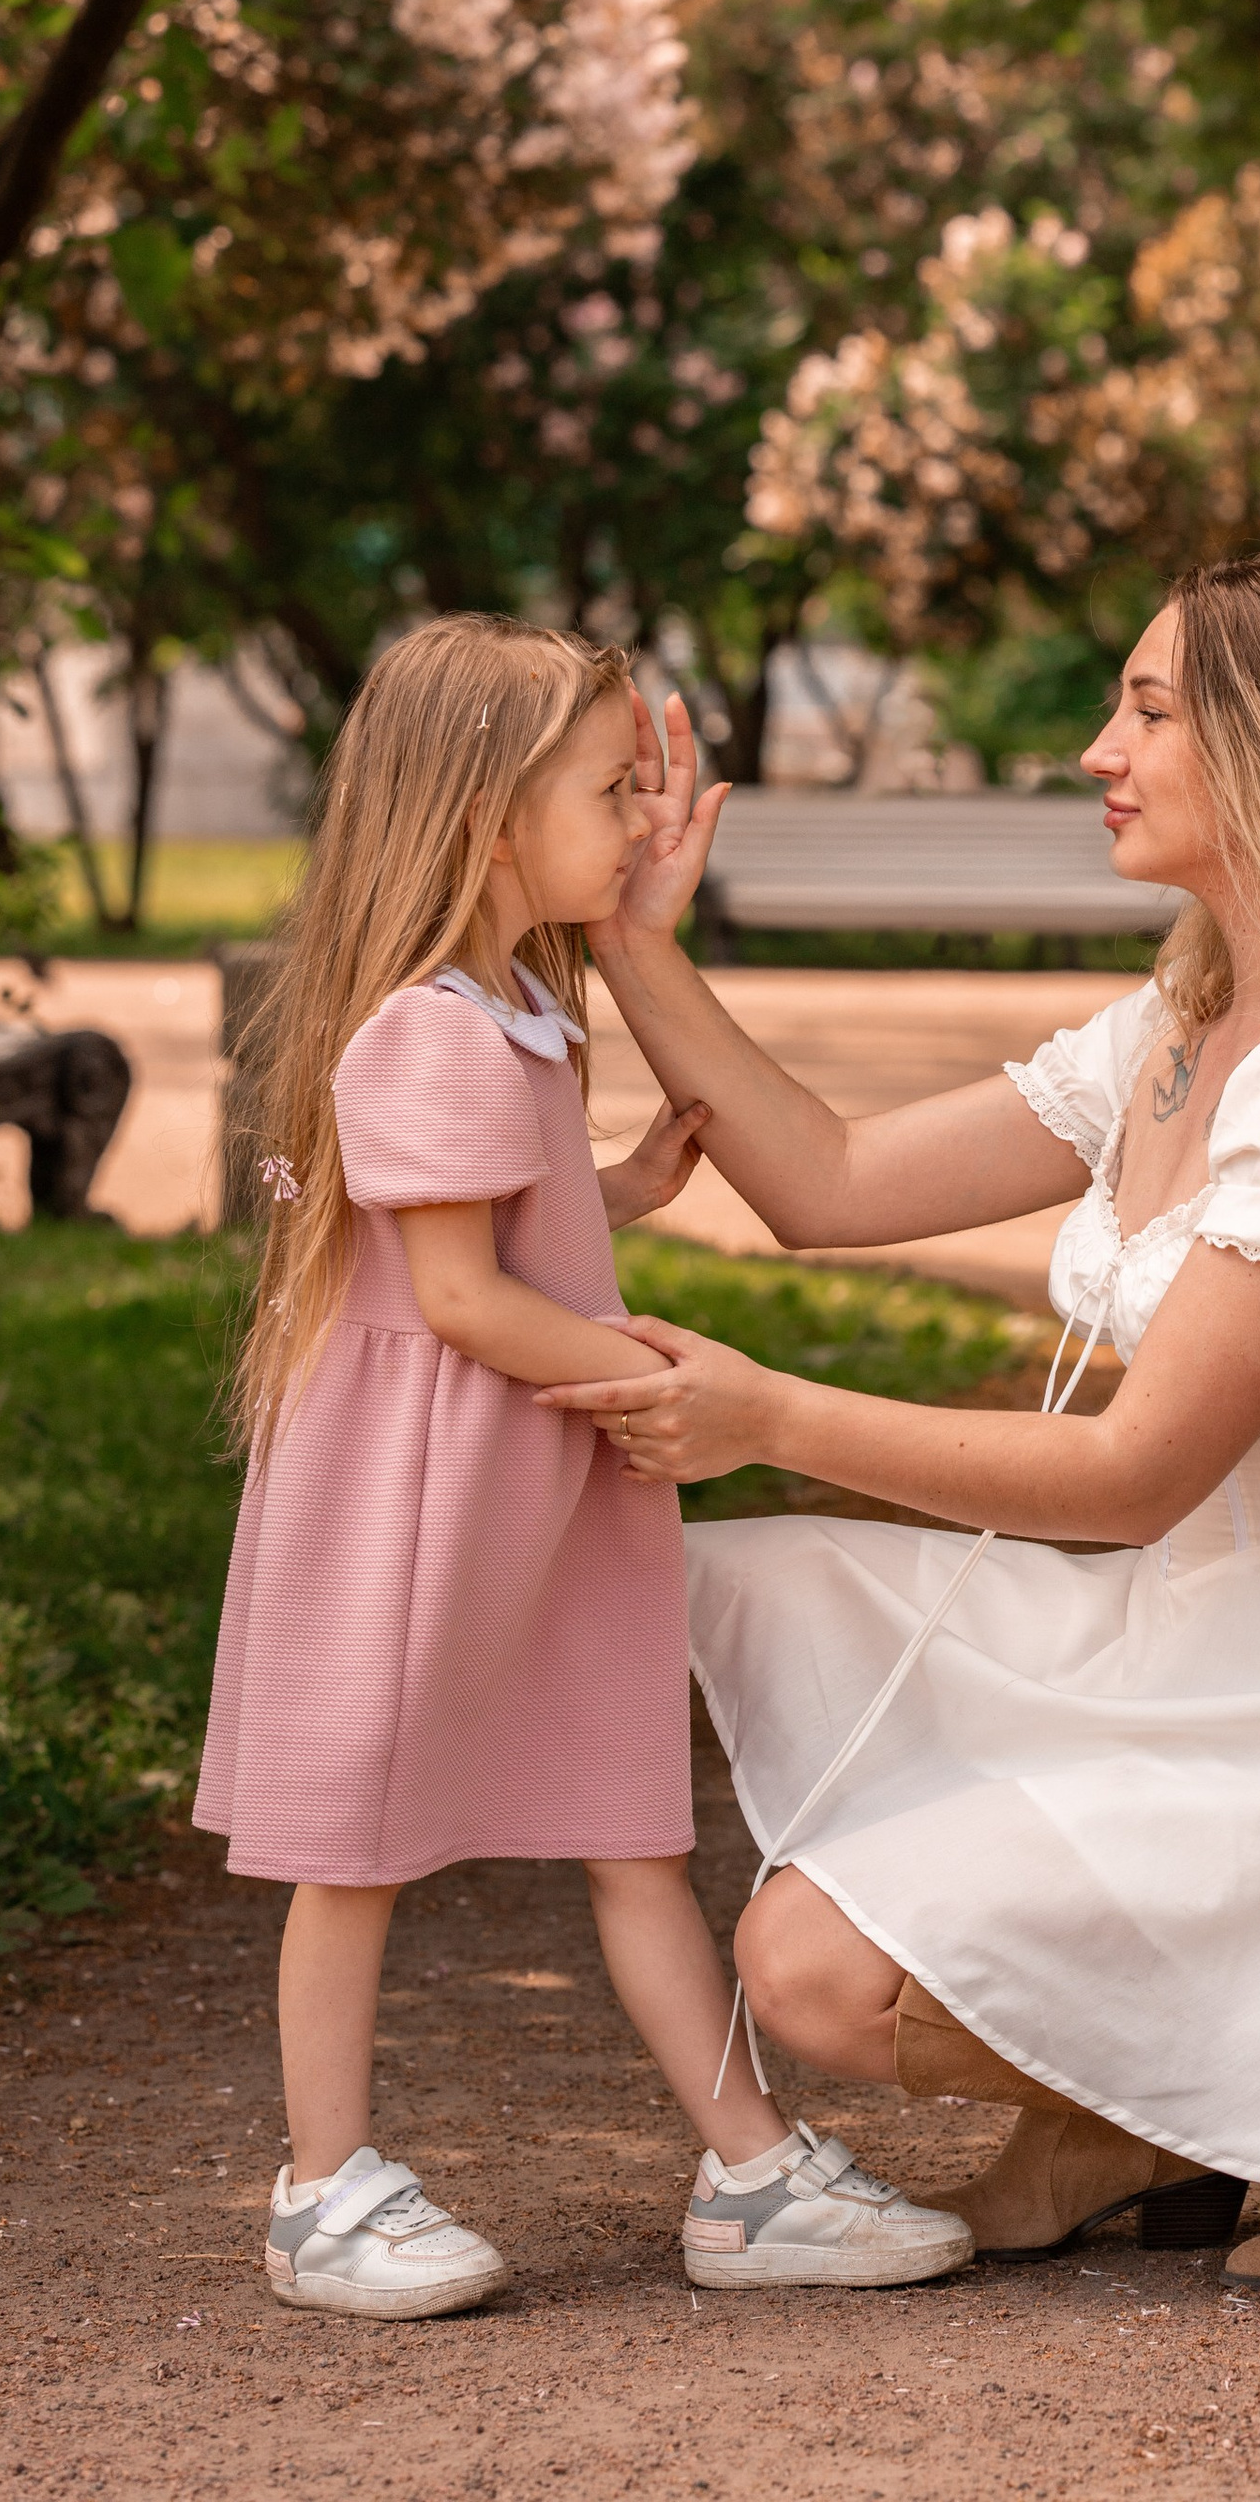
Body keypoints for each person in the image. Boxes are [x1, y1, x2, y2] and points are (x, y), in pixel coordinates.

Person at [547, 552, 1260, 2293]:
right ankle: (1141, 2110)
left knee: (819, 1973)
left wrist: (767, 1411)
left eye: (1147, 709)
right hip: (1177, 1637)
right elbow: (826, 1184)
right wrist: (634, 947)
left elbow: (1134, 1478)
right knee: (808, 1961)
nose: (1096, 748)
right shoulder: (1186, 1020)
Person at [195, 615, 972, 2319]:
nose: (641, 819)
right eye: (613, 789)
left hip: (532, 1477)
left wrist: (614, 1188)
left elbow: (482, 1232)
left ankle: (750, 2171)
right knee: (362, 1841)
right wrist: (656, 1371)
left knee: (630, 1823)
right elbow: (460, 1298)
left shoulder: (518, 1008)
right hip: (426, 1490)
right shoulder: (429, 1029)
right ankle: (321, 2185)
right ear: (485, 816)